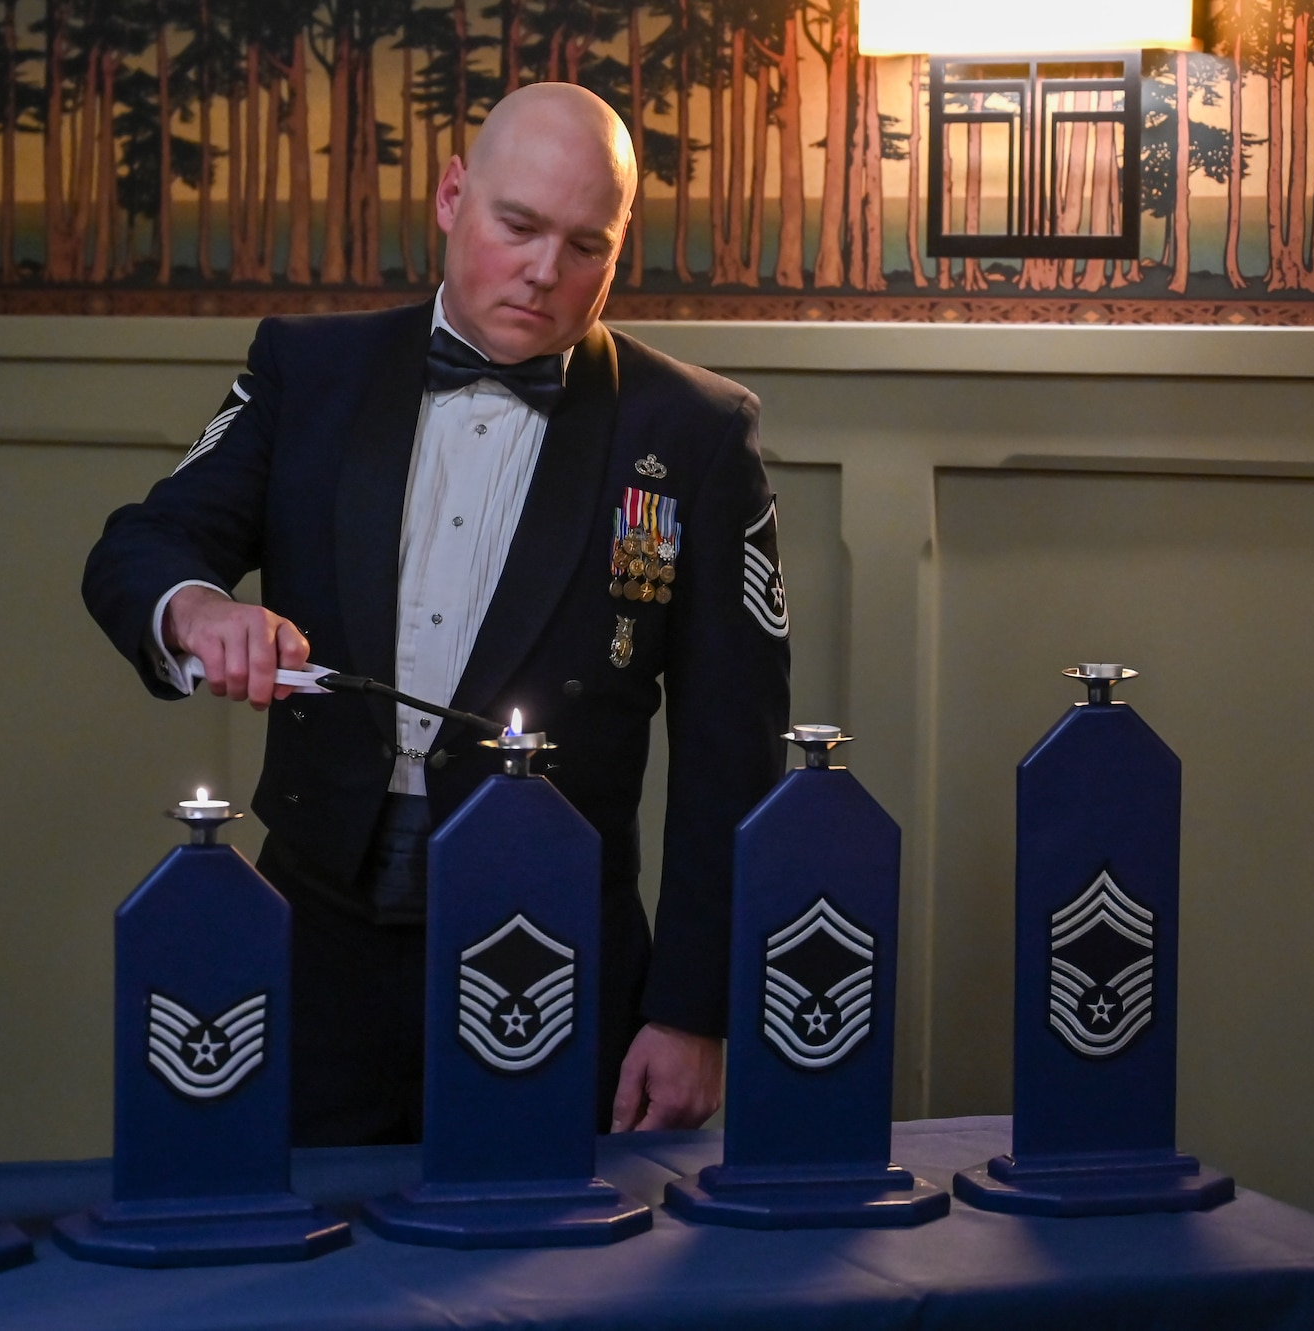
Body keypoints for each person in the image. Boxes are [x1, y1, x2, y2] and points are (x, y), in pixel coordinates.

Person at [83, 82, 788, 1146]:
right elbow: (142, 544)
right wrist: (194, 612)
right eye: (517, 226)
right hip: (312, 941)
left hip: (558, 948)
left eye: (585, 244)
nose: (545, 272)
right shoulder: (307, 371)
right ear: (451, 196)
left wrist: (694, 1008)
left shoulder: (692, 430)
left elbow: (729, 750)